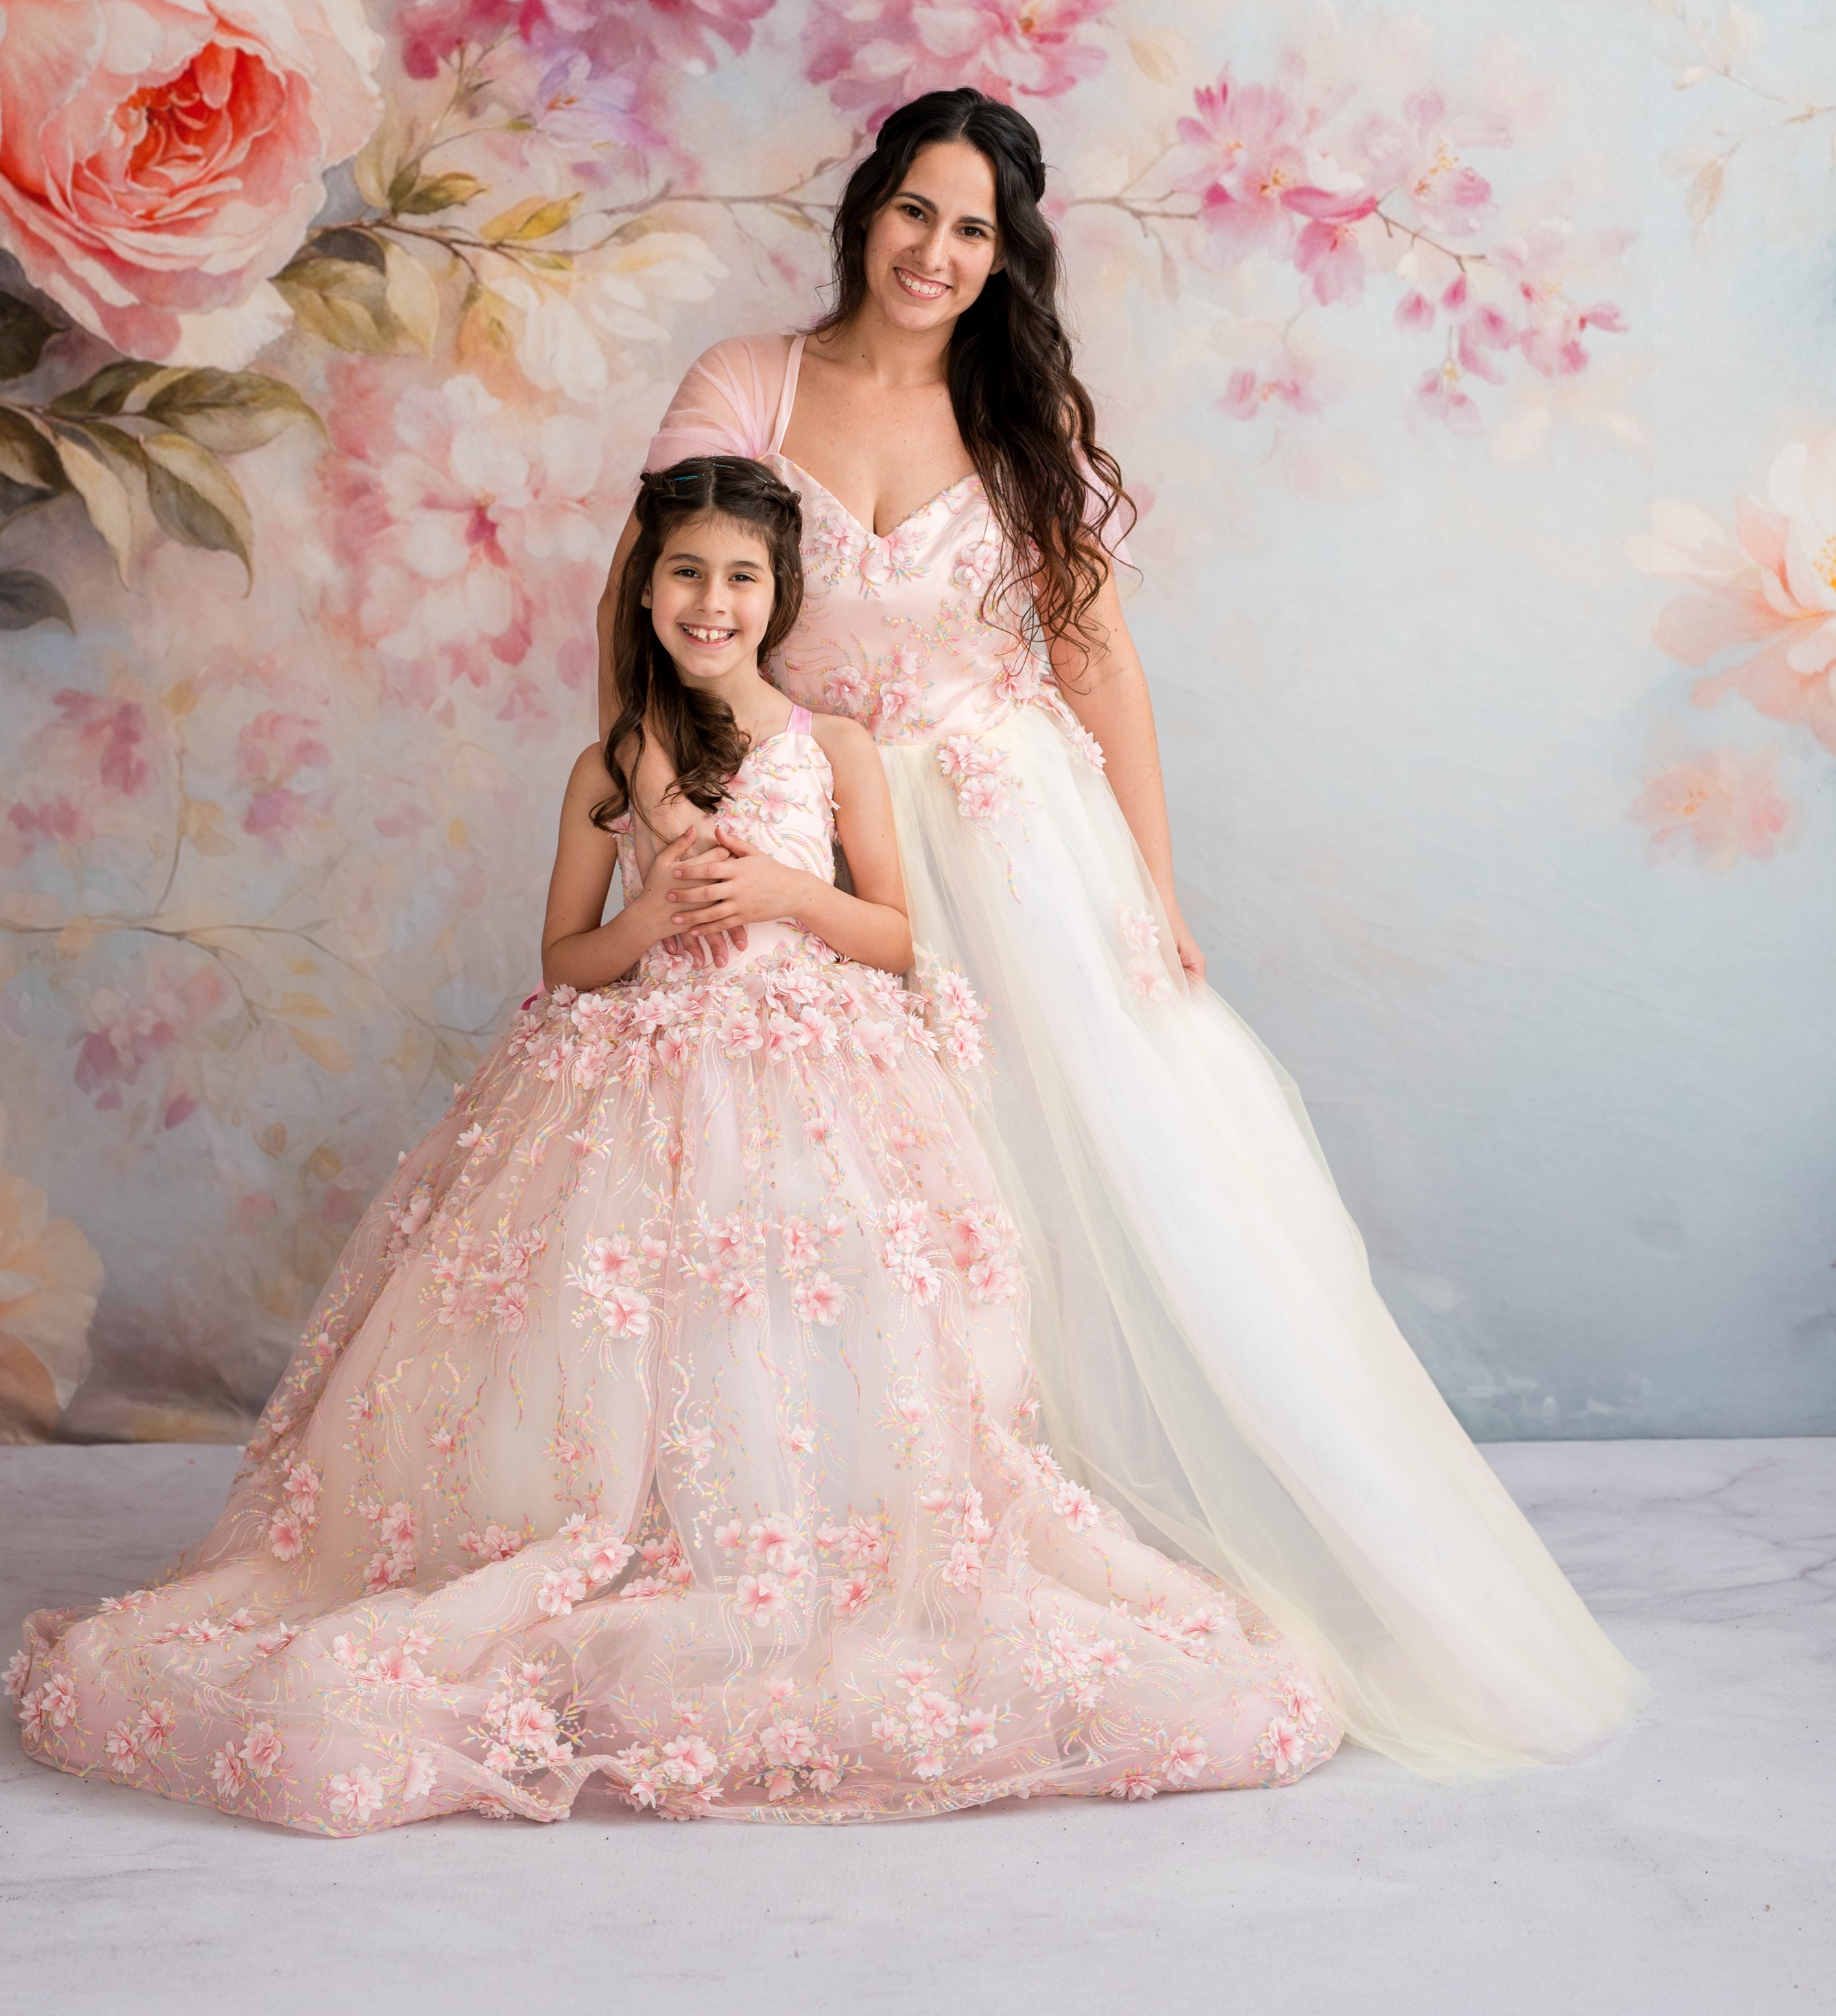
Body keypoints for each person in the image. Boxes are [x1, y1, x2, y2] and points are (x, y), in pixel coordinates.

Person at [8, 457, 1341, 1830]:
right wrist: (644, 925)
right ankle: (629, 1529)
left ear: (780, 595)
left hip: (811, 1077)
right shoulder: (611, 763)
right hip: (634, 1077)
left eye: (740, 577)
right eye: (685, 572)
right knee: (621, 1322)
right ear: (644, 586)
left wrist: (782, 890)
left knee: (799, 1312)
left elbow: (895, 933)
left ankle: (791, 1543)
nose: (710, 601)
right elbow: (565, 957)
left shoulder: (835, 750)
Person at [610, 88, 1649, 1780]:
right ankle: (820, 1536)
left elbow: (1098, 666)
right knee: (817, 1189)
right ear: (864, 207)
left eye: (974, 230)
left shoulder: (1022, 431)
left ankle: (1149, 1527)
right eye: (915, 212)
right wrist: (697, 835)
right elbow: (671, 625)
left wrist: (1152, 891)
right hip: (811, 831)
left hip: (1013, 843)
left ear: (1003, 256)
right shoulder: (749, 386)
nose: (936, 254)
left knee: (1094, 1171)